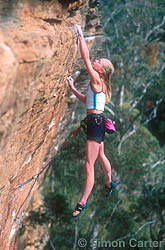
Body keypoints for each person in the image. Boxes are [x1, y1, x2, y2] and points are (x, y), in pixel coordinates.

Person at [68, 25, 117, 218]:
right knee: (101, 156)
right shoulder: (99, 85)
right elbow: (85, 100)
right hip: (97, 122)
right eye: (98, 59)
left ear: (102, 72)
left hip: (95, 124)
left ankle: (83, 202)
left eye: (100, 61)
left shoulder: (97, 79)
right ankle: (109, 180)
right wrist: (73, 89)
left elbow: (86, 58)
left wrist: (81, 36)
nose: (96, 60)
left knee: (89, 165)